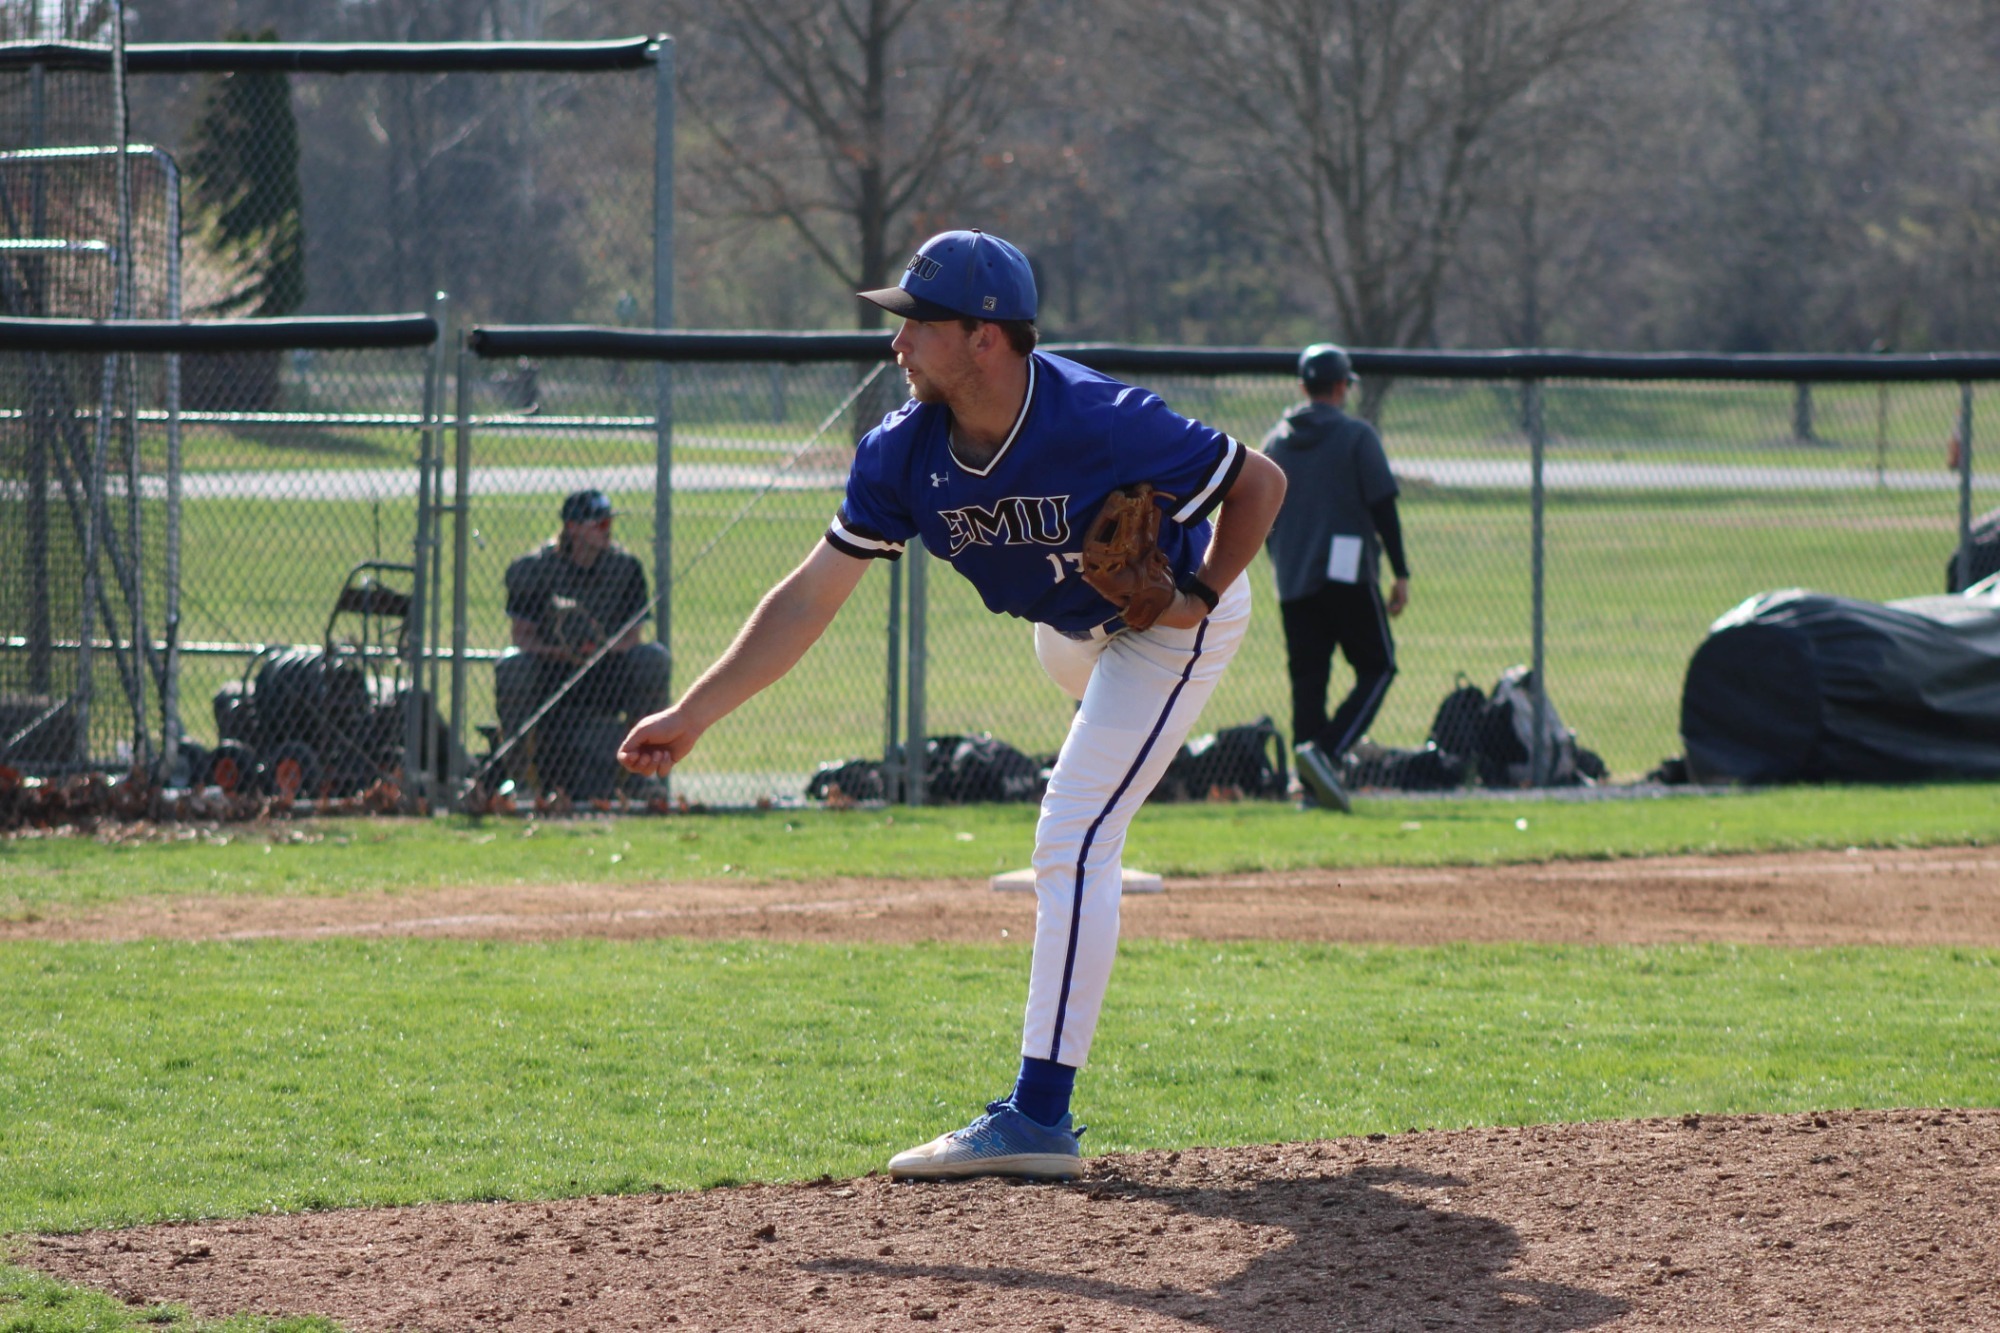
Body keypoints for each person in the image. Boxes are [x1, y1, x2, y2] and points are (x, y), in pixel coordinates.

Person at [617, 228, 1285, 1180]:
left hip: (1172, 624)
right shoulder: (901, 455)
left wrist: (1201, 595)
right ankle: (1116, 783)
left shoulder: (1099, 416)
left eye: (919, 322)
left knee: (1072, 834)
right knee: (1084, 743)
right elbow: (811, 595)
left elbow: (1261, 483)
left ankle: (1039, 1118)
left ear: (985, 336)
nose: (897, 343)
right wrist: (695, 712)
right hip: (1069, 629)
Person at [1259, 343, 1411, 814]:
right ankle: (1322, 753)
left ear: (1302, 386)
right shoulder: (1356, 436)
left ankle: (1307, 787)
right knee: (1378, 666)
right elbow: (1383, 506)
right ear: (1342, 386)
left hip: (1294, 577)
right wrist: (1401, 572)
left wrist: (1283, 559)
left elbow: (1256, 514)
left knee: (1309, 679)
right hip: (1347, 576)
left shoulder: (1275, 442)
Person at [496, 489, 670, 789]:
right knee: (513, 665)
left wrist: (599, 651)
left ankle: (639, 777)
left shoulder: (624, 568)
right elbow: (521, 637)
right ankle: (520, 779)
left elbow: (633, 637)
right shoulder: (533, 568)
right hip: (551, 671)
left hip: (606, 671)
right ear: (573, 528)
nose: (608, 531)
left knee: (652, 659)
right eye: (599, 524)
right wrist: (561, 651)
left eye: (609, 524)